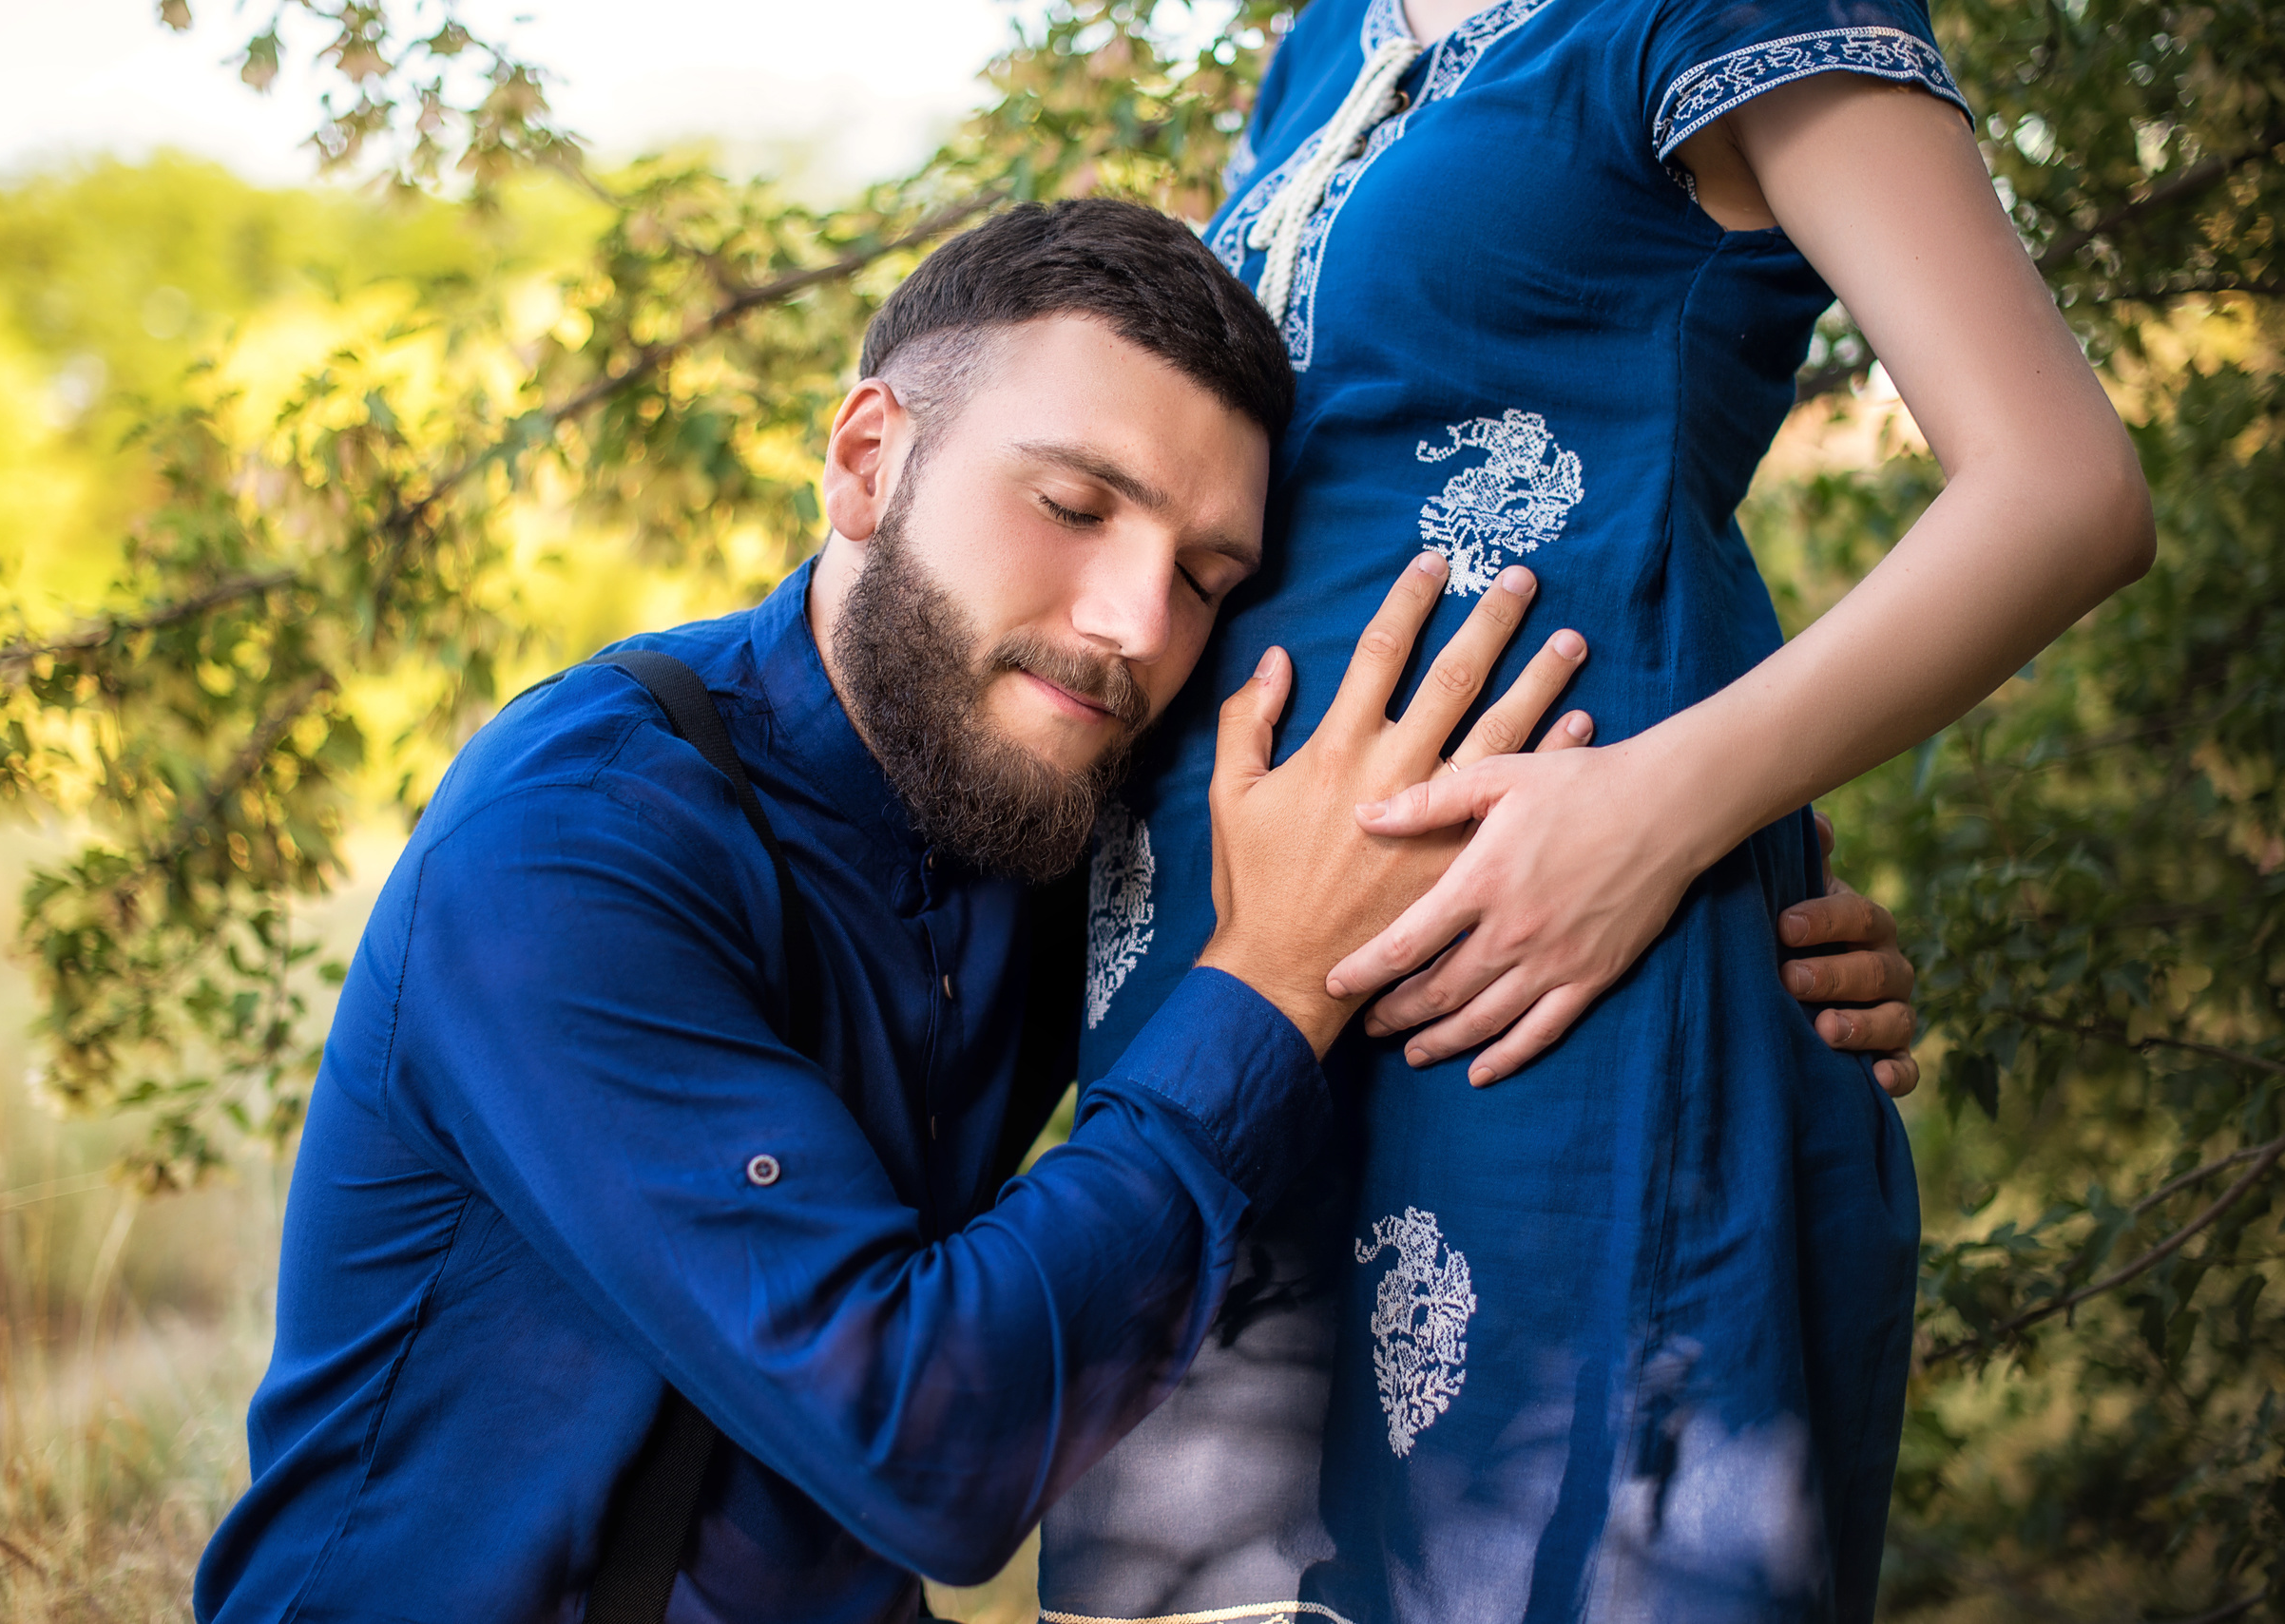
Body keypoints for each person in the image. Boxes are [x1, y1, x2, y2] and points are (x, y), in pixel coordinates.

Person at [193, 201, 1918, 1624]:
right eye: (1073, 504)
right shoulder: (572, 847)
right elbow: (926, 1436)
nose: (1129, 623)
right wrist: (1262, 979)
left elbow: (1391, 911)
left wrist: (1710, 914)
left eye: (1207, 577)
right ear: (867, 458)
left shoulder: (1055, 809)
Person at [1037, 1, 2155, 1620]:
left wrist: (1655, 811)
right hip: (1224, 1032)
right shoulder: (1326, 44)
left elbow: (2062, 486)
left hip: (1546, 996)